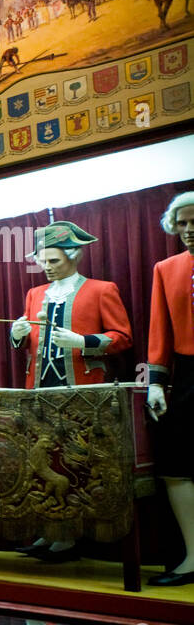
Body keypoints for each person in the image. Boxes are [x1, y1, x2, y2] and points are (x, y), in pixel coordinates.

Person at [9, 221, 132, 562]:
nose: (47, 267)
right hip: (39, 389)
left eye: (54, 260)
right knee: (44, 461)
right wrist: (18, 333)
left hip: (83, 389)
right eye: (43, 260)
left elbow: (122, 337)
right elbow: (28, 340)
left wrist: (84, 341)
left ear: (74, 256)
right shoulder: (35, 294)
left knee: (74, 463)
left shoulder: (101, 289)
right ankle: (50, 532)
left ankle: (70, 537)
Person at [145, 192, 194, 586]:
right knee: (176, 466)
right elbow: (159, 329)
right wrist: (156, 383)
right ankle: (193, 556)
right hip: (187, 374)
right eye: (182, 224)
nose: (189, 230)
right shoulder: (167, 268)